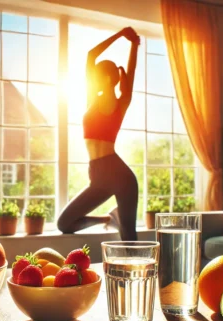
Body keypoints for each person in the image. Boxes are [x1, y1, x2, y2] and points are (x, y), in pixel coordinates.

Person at [58, 27, 140, 241]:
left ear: (108, 78)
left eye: (98, 75)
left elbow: (130, 76)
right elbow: (91, 56)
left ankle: (137, 272)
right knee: (64, 223)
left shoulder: (121, 102)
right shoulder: (91, 99)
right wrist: (119, 35)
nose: (93, 77)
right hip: (97, 173)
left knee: (128, 234)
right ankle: (108, 219)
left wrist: (134, 45)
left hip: (118, 174)